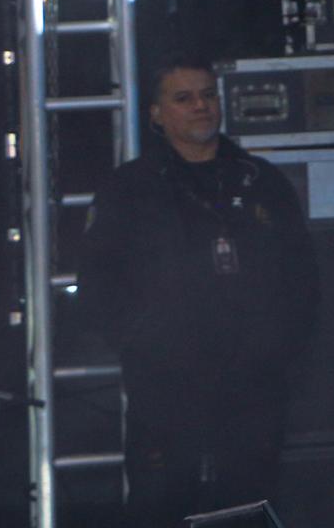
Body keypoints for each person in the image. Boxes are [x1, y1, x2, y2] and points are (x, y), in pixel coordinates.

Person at [79, 59, 319, 526]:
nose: (200, 106)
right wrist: (143, 341)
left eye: (208, 95)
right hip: (166, 384)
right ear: (156, 113)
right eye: (183, 98)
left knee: (249, 501)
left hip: (252, 381)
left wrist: (279, 346)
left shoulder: (261, 181)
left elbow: (302, 278)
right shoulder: (130, 189)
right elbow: (97, 283)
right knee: (161, 501)